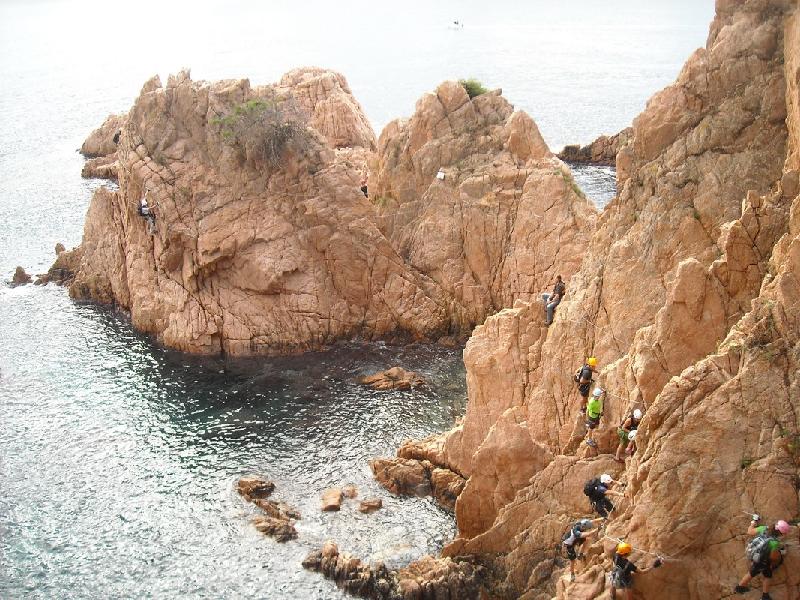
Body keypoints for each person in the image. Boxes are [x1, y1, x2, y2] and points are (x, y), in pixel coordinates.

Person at [734, 516, 790, 599]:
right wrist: (780, 553)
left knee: (761, 573)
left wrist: (753, 522)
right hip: (762, 561)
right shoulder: (774, 543)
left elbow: (750, 532)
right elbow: (773, 557)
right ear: (781, 533)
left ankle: (763, 595)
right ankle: (740, 588)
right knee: (758, 574)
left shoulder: (764, 528)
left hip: (753, 552)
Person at [562, 517, 604, 581]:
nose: (587, 529)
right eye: (587, 528)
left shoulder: (581, 523)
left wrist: (603, 518)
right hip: (568, 544)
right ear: (584, 527)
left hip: (575, 539)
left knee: (585, 541)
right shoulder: (576, 532)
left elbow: (593, 520)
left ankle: (580, 554)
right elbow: (589, 534)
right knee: (572, 561)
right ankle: (572, 574)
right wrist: (598, 529)